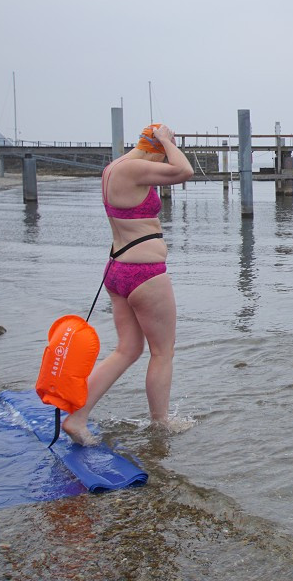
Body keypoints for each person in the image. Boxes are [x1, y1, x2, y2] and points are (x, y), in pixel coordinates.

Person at [61, 123, 193, 445]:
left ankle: (77, 418)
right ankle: (160, 425)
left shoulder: (113, 168)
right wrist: (167, 140)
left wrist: (161, 144)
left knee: (127, 349)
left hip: (118, 270)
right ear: (157, 148)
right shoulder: (134, 168)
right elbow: (184, 170)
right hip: (144, 274)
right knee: (162, 352)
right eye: (163, 153)